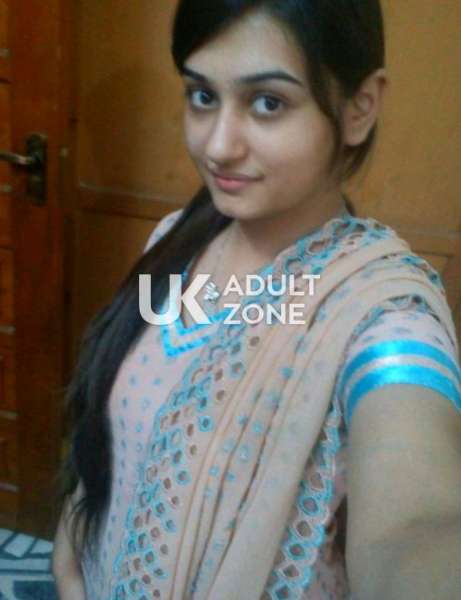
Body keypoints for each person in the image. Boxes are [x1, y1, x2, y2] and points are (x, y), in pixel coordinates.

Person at [52, 1, 461, 598]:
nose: (218, 146)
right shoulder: (173, 241)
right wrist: (72, 551)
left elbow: (414, 528)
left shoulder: (383, 322)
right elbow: (119, 425)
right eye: (202, 96)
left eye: (268, 102)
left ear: (359, 107)